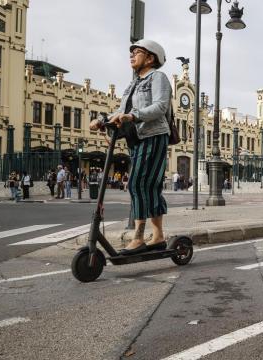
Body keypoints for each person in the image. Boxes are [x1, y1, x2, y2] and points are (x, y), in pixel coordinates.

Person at [89, 39, 171, 255]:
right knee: (150, 186)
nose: (132, 55)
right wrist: (102, 119)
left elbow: (161, 106)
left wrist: (133, 115)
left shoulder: (158, 77)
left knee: (137, 184)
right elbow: (121, 108)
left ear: (150, 58)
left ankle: (138, 237)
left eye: (137, 52)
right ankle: (159, 236)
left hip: (153, 136)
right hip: (137, 138)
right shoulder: (133, 84)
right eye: (131, 52)